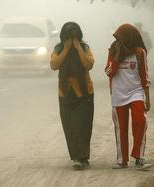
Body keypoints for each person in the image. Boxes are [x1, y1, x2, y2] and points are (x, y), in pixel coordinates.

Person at [105, 24, 151, 170]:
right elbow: (108, 72)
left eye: (120, 38)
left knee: (141, 120)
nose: (117, 41)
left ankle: (139, 155)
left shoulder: (139, 52)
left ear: (129, 38)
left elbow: (144, 76)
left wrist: (147, 98)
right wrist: (117, 56)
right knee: (121, 128)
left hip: (136, 92)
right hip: (118, 94)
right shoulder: (113, 50)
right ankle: (122, 160)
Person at [50, 22, 95, 170]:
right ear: (63, 37)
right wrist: (67, 48)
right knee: (69, 127)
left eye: (74, 37)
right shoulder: (58, 48)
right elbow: (54, 65)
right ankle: (76, 157)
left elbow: (88, 64)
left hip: (84, 93)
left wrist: (77, 47)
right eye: (68, 37)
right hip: (65, 93)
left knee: (82, 126)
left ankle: (83, 157)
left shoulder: (84, 47)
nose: (71, 39)